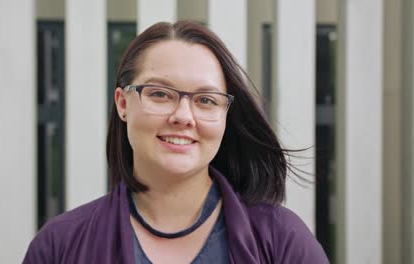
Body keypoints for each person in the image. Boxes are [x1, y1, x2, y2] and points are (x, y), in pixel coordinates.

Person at [23, 21, 329, 263]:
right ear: (123, 104)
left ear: (225, 115)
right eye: (159, 94)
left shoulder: (282, 241)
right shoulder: (60, 246)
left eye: (206, 100)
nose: (183, 116)